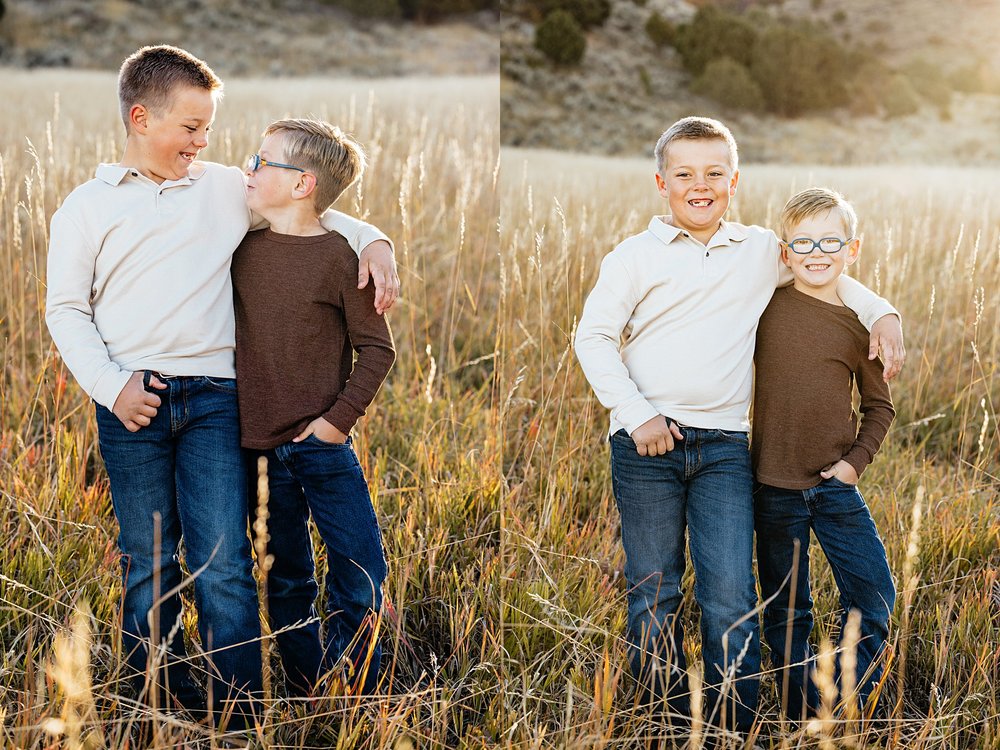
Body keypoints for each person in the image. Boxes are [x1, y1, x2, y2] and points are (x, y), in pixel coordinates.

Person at [44, 45, 398, 728]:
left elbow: (311, 208)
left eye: (209, 128)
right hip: (130, 402)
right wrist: (112, 387)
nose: (204, 142)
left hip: (214, 399)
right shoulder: (86, 207)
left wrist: (376, 239)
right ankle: (153, 701)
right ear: (141, 118)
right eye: (191, 128)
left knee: (224, 560)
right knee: (148, 558)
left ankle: (238, 714)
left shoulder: (220, 188)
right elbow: (66, 310)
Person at [573, 116, 904, 735]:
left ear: (734, 181)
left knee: (729, 593)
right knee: (654, 589)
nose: (700, 185)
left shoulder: (757, 250)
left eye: (715, 173)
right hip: (646, 443)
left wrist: (882, 312)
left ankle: (734, 723)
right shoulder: (633, 256)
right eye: (685, 174)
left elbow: (825, 270)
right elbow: (592, 337)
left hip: (726, 447)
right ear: (661, 182)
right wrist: (637, 413)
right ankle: (662, 719)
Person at [232, 119, 394, 697]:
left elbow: (378, 349)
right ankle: (309, 685)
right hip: (256, 451)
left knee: (360, 576)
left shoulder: (340, 258)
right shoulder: (239, 249)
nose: (247, 167)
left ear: (302, 184)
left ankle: (360, 691)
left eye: (262, 160)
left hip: (323, 450)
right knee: (288, 580)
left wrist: (333, 424)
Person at [753, 188, 896, 721]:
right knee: (788, 615)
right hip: (773, 488)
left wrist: (853, 465)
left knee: (874, 599)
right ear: (786, 252)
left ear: (852, 249)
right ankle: (801, 717)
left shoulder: (861, 326)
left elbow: (880, 408)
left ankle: (838, 703)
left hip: (835, 490)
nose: (818, 252)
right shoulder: (766, 307)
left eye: (831, 241)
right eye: (804, 242)